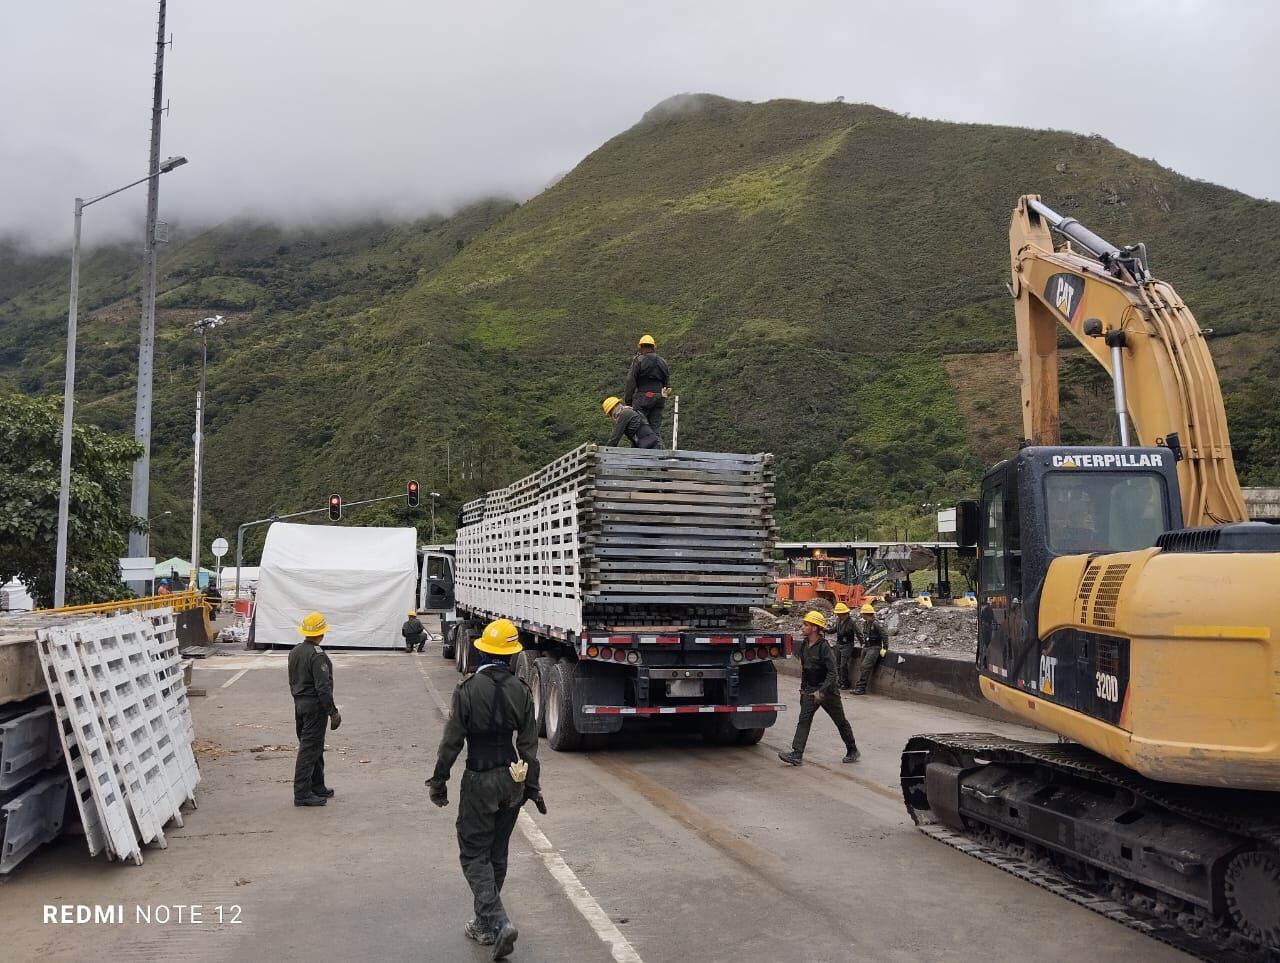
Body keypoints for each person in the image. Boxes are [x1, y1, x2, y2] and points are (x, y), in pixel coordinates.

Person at [427, 618, 543, 959]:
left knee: (473, 853)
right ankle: (485, 923)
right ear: (511, 655)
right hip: (512, 778)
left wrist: (439, 781)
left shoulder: (466, 690)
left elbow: (451, 742)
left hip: (479, 779)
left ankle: (499, 921)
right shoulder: (521, 691)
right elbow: (529, 747)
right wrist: (532, 788)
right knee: (497, 853)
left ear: (482, 651)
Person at [778, 610, 859, 766]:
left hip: (828, 691)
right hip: (810, 689)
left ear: (814, 628)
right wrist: (803, 689)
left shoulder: (824, 647)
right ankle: (796, 754)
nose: (802, 627)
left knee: (840, 721)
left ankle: (852, 749)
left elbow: (833, 673)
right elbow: (805, 669)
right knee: (804, 720)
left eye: (806, 624)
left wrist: (821, 692)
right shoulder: (804, 645)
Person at [289, 612, 341, 807]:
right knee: (309, 749)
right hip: (314, 707)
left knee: (314, 746)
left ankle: (317, 785)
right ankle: (302, 793)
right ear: (322, 633)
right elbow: (323, 688)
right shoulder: (317, 656)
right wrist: (332, 711)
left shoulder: (295, 652)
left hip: (300, 704)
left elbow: (292, 680)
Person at [623, 334, 671, 437]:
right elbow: (666, 383)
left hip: (642, 398)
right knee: (655, 431)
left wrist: (628, 402)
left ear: (640, 347)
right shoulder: (663, 362)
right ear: (654, 347)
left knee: (640, 430)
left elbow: (630, 382)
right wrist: (662, 397)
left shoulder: (638, 360)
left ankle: (639, 451)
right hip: (659, 397)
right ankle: (656, 450)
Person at [851, 602, 888, 695]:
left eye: (863, 614)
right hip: (867, 646)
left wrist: (885, 647)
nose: (862, 615)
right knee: (862, 666)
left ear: (866, 614)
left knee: (866, 666)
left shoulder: (875, 624)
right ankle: (859, 686)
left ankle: (861, 688)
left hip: (874, 647)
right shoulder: (865, 623)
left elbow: (884, 634)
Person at [833, 602, 856, 690]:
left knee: (843, 665)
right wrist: (827, 630)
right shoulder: (839, 621)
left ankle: (845, 682)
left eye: (839, 614)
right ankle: (840, 681)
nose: (838, 615)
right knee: (838, 664)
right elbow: (835, 629)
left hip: (847, 645)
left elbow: (858, 632)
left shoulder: (851, 622)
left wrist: (863, 642)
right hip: (839, 644)